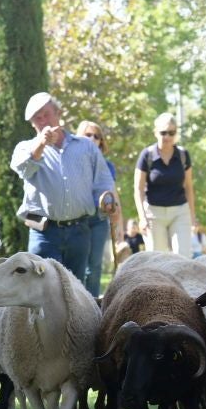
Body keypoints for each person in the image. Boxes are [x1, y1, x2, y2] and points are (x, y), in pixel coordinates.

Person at [11, 93, 116, 281]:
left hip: (79, 230)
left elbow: (103, 180)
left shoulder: (86, 146)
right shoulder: (25, 148)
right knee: (41, 287)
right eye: (37, 118)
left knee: (75, 287)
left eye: (46, 114)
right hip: (44, 232)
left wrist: (105, 200)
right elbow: (23, 169)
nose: (43, 121)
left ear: (58, 113)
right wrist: (41, 144)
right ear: (32, 124)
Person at [136, 112, 199, 255]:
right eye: (163, 133)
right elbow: (138, 189)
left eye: (172, 133)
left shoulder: (183, 155)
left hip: (179, 212)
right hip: (153, 213)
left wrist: (192, 217)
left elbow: (189, 187)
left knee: (183, 256)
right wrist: (142, 218)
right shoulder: (147, 155)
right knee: (157, 258)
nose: (167, 137)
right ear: (155, 132)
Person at [75, 119, 122, 298]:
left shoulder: (107, 165)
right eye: (88, 135)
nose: (93, 139)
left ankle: (93, 303)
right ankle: (76, 301)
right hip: (77, 218)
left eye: (97, 136)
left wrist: (117, 218)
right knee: (78, 265)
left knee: (94, 266)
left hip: (99, 219)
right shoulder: (71, 162)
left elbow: (112, 192)